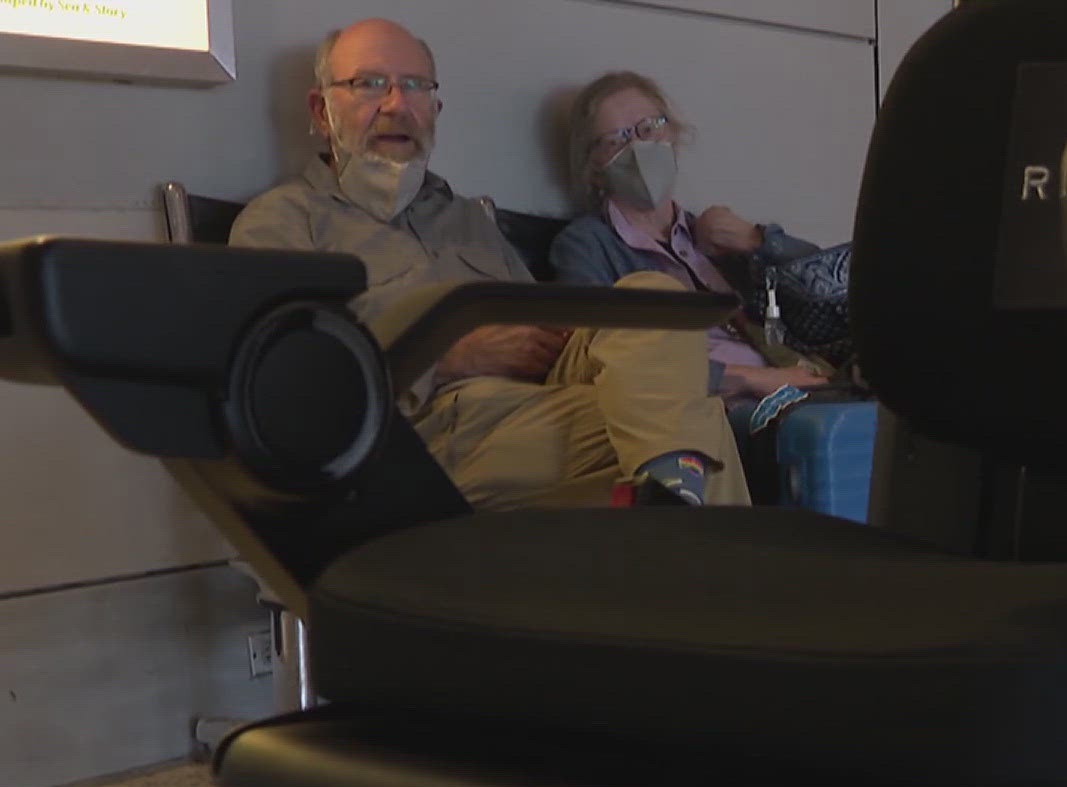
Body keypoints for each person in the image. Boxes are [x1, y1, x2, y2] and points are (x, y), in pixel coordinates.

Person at [230, 19, 749, 508]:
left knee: (651, 298)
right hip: (424, 436)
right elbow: (287, 385)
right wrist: (451, 358)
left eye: (415, 86)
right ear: (321, 112)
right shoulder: (283, 222)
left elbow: (551, 327)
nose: (396, 104)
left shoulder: (468, 219)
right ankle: (692, 544)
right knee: (693, 426)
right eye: (369, 84)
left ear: (435, 110)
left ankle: (674, 519)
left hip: (536, 404)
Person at [548, 72, 832, 408]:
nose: (638, 147)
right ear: (593, 166)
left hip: (802, 378)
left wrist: (756, 240)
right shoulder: (586, 245)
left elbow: (831, 291)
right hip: (715, 406)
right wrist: (756, 380)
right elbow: (599, 357)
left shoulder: (712, 235)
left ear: (673, 135)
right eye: (616, 140)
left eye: (648, 128)